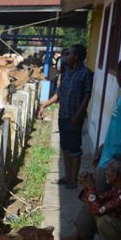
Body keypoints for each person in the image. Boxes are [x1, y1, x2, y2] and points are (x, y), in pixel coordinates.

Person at [64, 55, 121, 240]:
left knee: (93, 194)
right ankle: (84, 235)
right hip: (110, 155)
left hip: (116, 161)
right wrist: (103, 146)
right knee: (98, 196)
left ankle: (79, 235)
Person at [38, 44, 93, 189]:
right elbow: (59, 94)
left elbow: (87, 96)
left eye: (69, 54)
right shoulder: (67, 73)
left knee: (75, 149)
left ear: (76, 57)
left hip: (75, 117)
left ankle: (74, 179)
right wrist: (44, 105)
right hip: (63, 115)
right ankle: (67, 176)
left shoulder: (86, 73)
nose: (66, 56)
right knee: (65, 148)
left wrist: (78, 115)